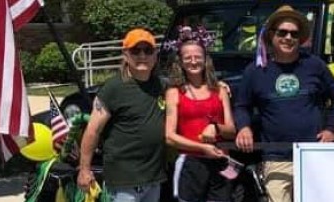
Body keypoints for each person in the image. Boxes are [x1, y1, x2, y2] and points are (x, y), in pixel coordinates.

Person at [233, 5, 334, 202]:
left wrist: (330, 129)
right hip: (275, 157)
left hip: (313, 154)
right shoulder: (255, 71)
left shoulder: (314, 65)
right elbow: (241, 105)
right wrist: (244, 128)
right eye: (282, 32)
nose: (288, 38)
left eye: (294, 33)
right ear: (271, 35)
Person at [77, 28, 166, 202]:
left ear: (155, 55)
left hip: (154, 177)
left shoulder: (161, 85)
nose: (142, 55)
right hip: (124, 180)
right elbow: (92, 131)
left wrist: (218, 85)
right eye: (135, 50)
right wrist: (84, 170)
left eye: (148, 50)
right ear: (125, 55)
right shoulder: (113, 88)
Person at [164, 33, 238, 201]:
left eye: (198, 57)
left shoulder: (220, 90)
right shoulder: (174, 93)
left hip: (221, 161)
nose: (193, 61)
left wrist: (216, 127)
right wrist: (202, 148)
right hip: (190, 163)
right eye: (187, 57)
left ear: (206, 60)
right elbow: (169, 137)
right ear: (181, 62)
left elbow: (232, 131)